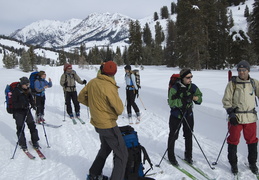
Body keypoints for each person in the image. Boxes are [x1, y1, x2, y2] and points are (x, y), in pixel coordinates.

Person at [78, 61, 128, 180]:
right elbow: (120, 109)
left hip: (98, 122)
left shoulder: (93, 82)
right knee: (122, 154)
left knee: (105, 148)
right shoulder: (109, 86)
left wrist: (93, 105)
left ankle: (94, 173)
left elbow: (80, 97)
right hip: (108, 125)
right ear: (114, 73)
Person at [222, 60, 259, 174]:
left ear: (248, 70)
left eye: (244, 70)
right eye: (240, 70)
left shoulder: (254, 83)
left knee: (252, 141)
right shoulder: (232, 84)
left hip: (250, 117)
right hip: (236, 117)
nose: (242, 72)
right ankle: (233, 164)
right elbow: (226, 100)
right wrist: (230, 113)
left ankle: (252, 163)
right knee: (233, 140)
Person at [167, 68, 202, 166]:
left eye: (191, 77)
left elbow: (200, 98)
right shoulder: (175, 88)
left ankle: (188, 156)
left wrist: (195, 98)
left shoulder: (193, 87)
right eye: (188, 77)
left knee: (189, 134)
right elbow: (171, 102)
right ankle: (171, 156)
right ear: (182, 78)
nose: (190, 79)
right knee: (173, 135)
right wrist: (183, 101)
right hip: (176, 115)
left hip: (188, 114)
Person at [12, 77, 40, 150]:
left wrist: (33, 105)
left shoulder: (28, 90)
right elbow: (14, 103)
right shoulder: (16, 91)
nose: (28, 86)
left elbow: (30, 98)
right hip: (18, 112)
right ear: (22, 84)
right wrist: (21, 105)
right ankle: (22, 143)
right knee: (20, 128)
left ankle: (35, 141)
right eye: (26, 84)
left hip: (27, 111)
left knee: (32, 126)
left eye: (28, 84)